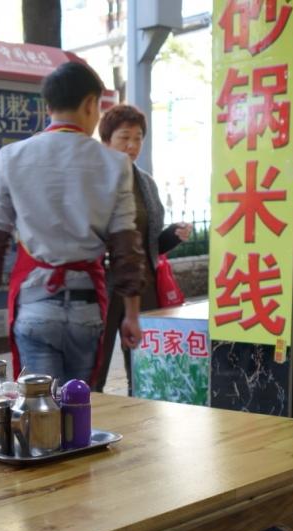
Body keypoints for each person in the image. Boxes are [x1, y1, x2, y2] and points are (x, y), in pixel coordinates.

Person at [0, 62, 151, 385]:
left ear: (49, 106)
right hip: (87, 309)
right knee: (78, 405)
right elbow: (126, 244)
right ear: (90, 104)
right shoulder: (115, 164)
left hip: (34, 305)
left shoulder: (11, 157)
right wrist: (132, 315)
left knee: (41, 407)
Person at [92, 104, 192, 394]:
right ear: (106, 140)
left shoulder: (145, 182)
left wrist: (173, 236)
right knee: (95, 366)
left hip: (141, 283)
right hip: (102, 282)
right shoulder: (92, 181)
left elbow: (151, 245)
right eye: (124, 137)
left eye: (138, 138)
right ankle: (89, 415)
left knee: (144, 365)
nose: (132, 145)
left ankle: (141, 413)